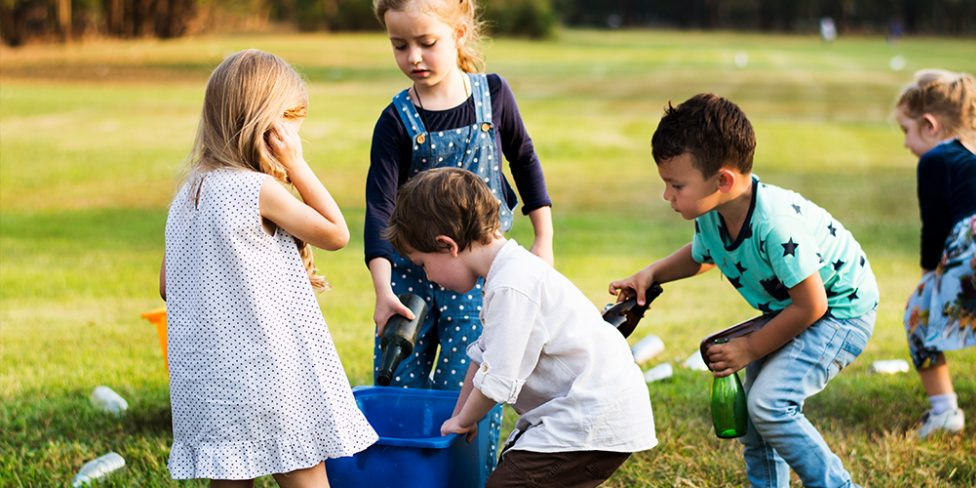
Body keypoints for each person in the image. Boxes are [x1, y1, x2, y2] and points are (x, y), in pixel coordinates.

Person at [609, 93, 878, 487]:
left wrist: (750, 348)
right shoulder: (716, 213)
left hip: (840, 312)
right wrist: (652, 274)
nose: (667, 196)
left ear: (723, 180)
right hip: (794, 308)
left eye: (676, 185)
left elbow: (812, 304)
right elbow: (704, 255)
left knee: (769, 404)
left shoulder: (775, 224)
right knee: (756, 414)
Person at [160, 49, 377, 487]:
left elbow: (168, 285)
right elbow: (336, 233)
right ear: (269, 128)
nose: (296, 138)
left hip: (209, 386)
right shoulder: (255, 188)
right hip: (271, 381)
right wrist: (297, 165)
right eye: (292, 124)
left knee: (229, 478)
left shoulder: (187, 195)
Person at [365, 0, 553, 471]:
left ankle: (462, 477)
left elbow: (525, 160)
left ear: (459, 32)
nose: (414, 58)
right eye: (399, 45)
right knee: (398, 382)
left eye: (426, 43)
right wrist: (383, 290)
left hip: (476, 282)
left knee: (464, 388)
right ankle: (406, 475)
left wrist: (542, 240)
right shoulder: (395, 121)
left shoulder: (493, 96)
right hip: (409, 279)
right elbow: (379, 209)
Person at [384, 167, 657, 487]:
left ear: (448, 245)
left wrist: (464, 419)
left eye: (423, 264)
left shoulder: (512, 285)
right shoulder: (505, 275)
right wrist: (458, 418)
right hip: (578, 414)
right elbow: (482, 358)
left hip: (590, 416)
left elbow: (499, 379)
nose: (428, 277)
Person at [895, 69, 976, 439]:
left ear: (930, 125)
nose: (906, 143)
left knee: (918, 315)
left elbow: (933, 226)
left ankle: (944, 410)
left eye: (907, 130)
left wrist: (927, 276)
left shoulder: (933, 161)